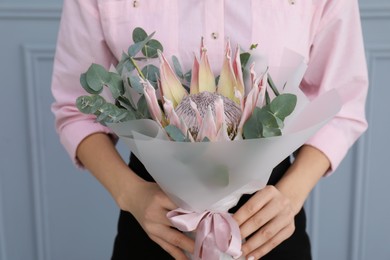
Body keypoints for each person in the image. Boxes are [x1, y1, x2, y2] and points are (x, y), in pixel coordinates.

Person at [51, 0, 368, 259]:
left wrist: (292, 194)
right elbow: (75, 109)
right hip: (152, 215)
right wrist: (129, 193)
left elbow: (342, 100)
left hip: (270, 216)